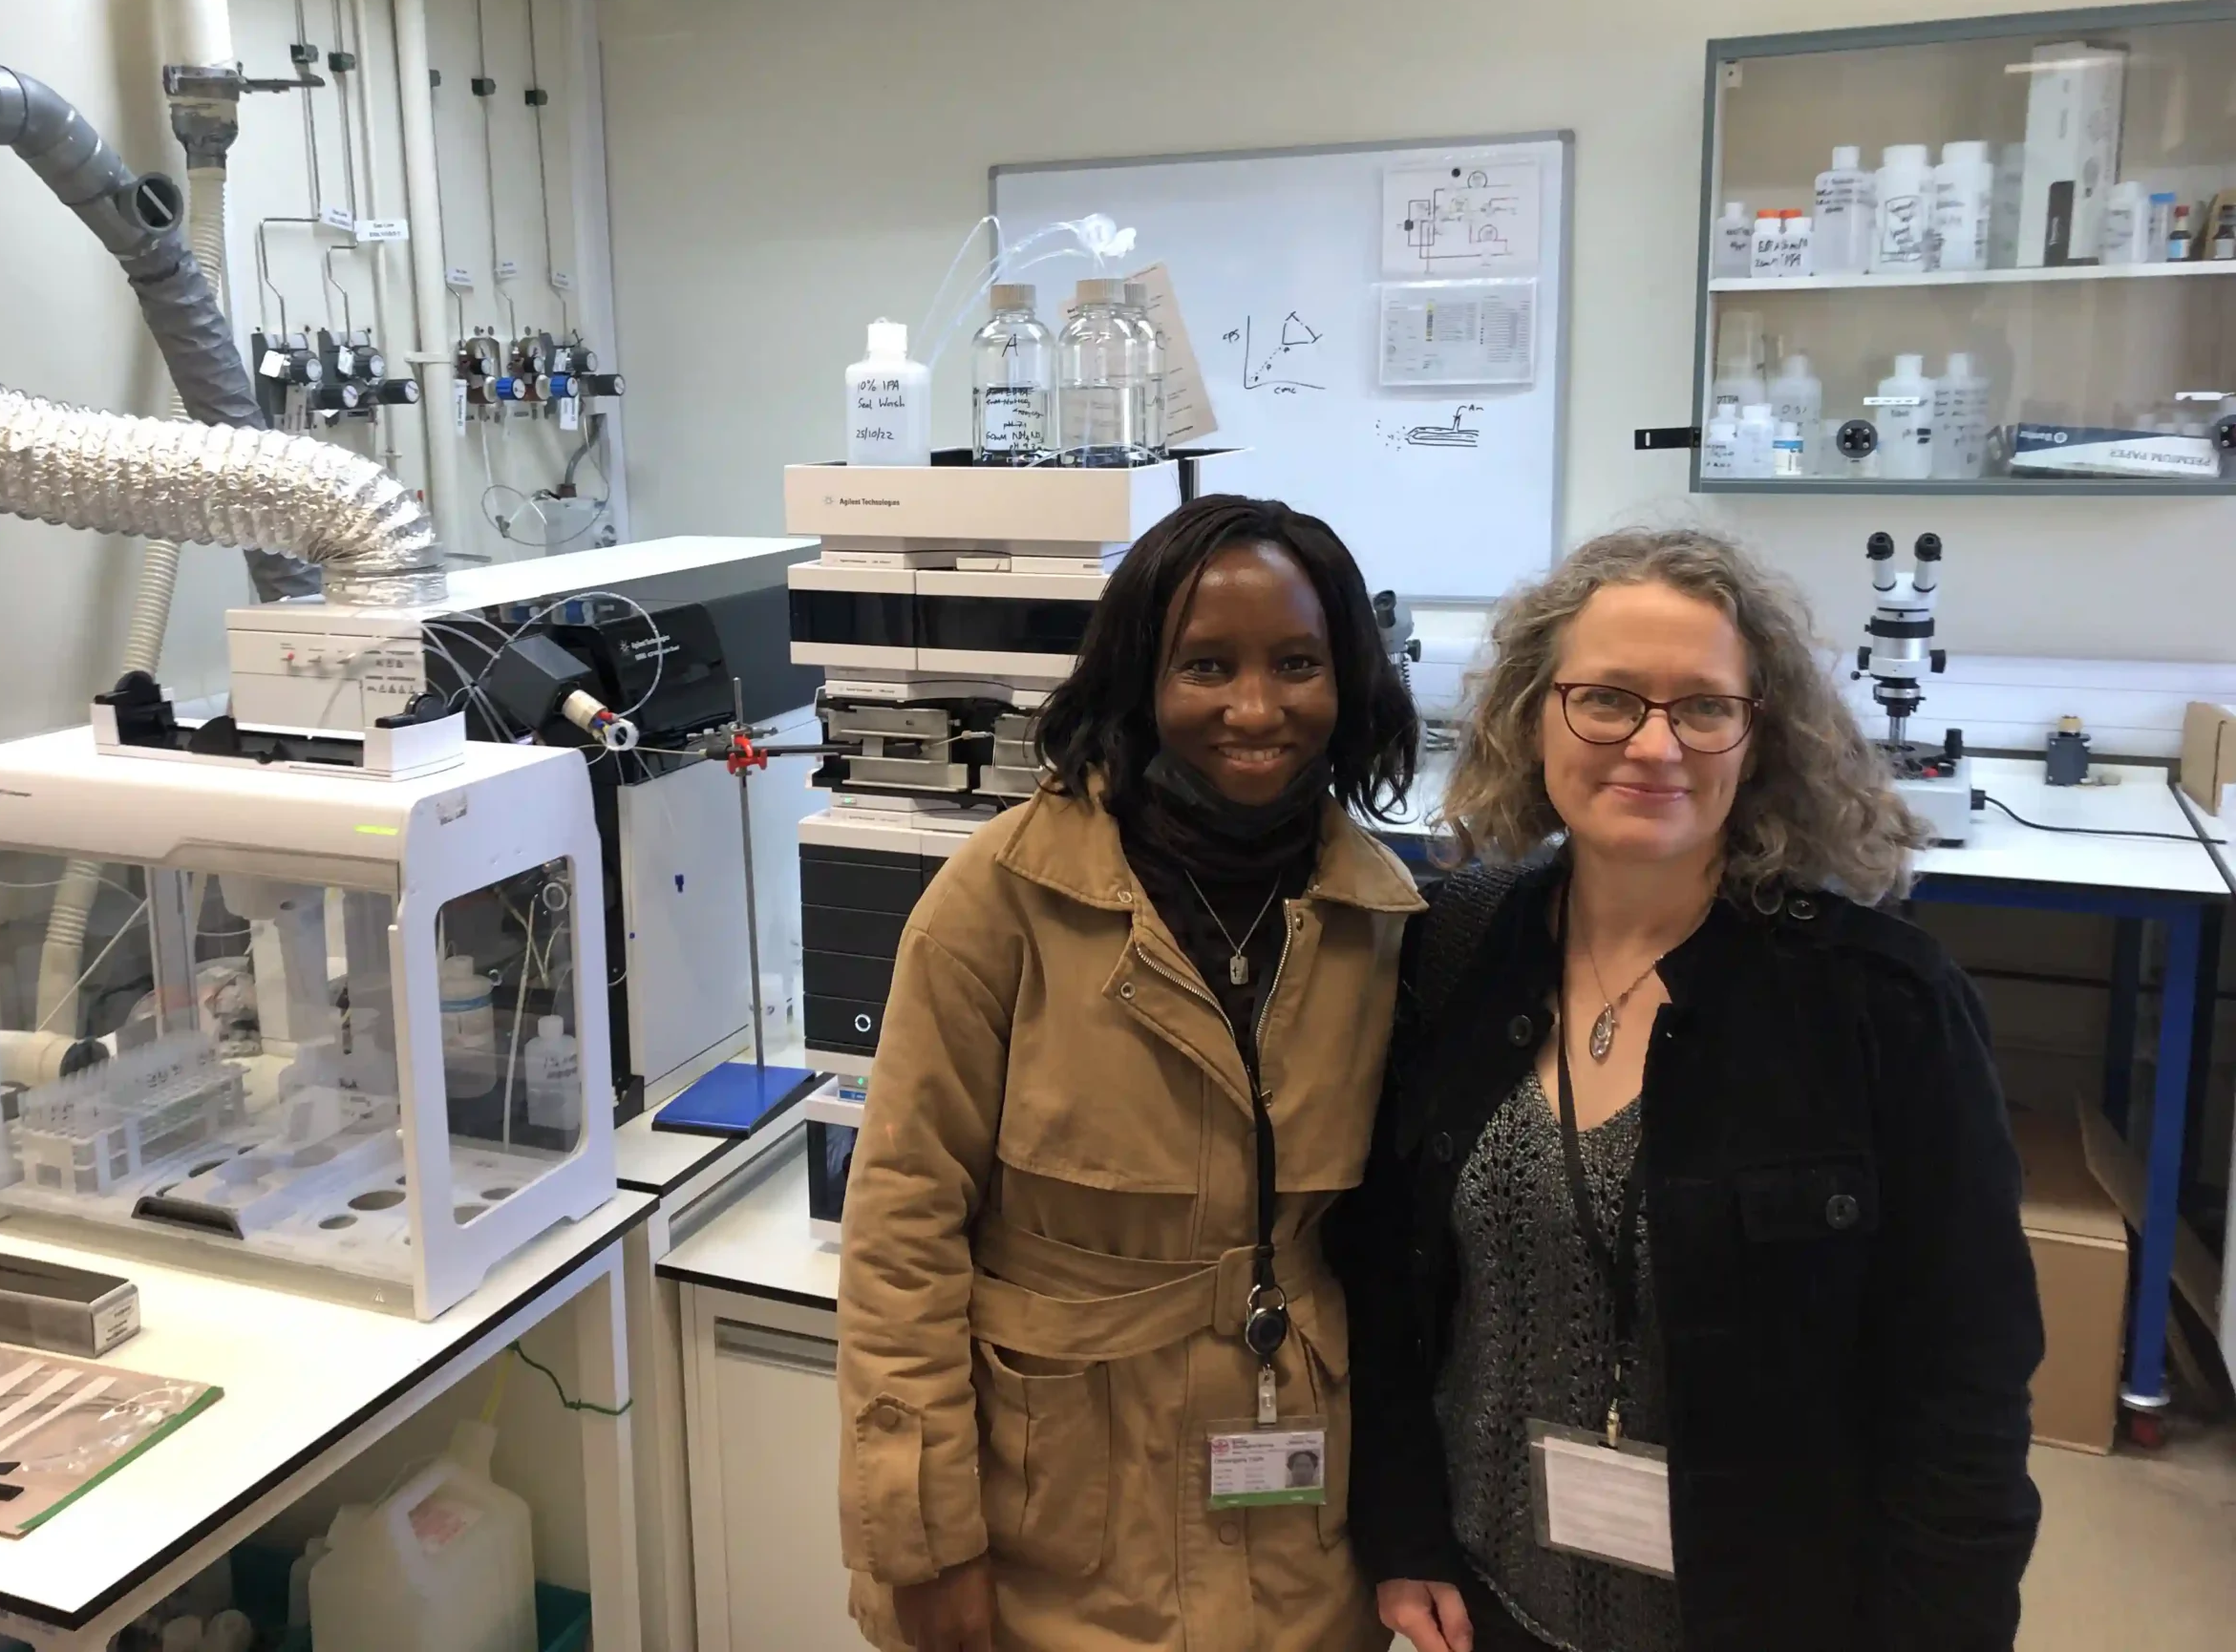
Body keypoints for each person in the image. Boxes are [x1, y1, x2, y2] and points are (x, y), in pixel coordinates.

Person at [1331, 527, 2043, 1652]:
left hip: (1763, 1611)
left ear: (1759, 738)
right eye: (1606, 698)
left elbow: (1963, 1388)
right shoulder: (1460, 949)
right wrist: (1407, 1532)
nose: (1652, 745)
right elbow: (1388, 1284)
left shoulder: (1880, 1005)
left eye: (1703, 707)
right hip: (1493, 1596)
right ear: (1532, 715)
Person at [835, 494, 1425, 1652]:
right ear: (1137, 678)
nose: (1255, 708)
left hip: (1300, 1531)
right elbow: (901, 1239)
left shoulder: (1386, 921)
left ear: (1347, 680)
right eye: (1206, 664)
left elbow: (1406, 1264)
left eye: (1296, 664)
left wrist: (1413, 1533)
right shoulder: (997, 903)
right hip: (1050, 1530)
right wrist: (923, 1537)